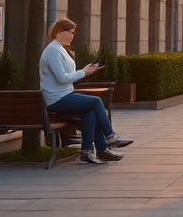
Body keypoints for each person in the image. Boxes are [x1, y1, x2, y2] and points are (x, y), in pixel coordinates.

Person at [40, 19, 133, 165]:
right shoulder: (53, 50)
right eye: (69, 32)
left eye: (73, 33)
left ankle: (92, 152)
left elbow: (67, 76)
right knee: (95, 101)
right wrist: (84, 72)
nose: (72, 36)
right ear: (59, 31)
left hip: (65, 94)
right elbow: (62, 78)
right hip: (57, 98)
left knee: (90, 114)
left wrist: (85, 71)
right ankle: (110, 136)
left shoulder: (60, 49)